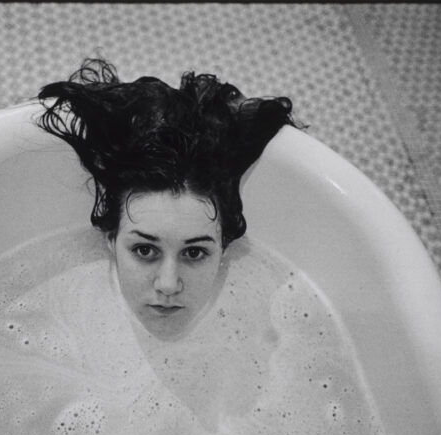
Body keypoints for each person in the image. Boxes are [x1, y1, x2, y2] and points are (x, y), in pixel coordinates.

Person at [34, 57, 304, 339]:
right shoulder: (52, 317)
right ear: (111, 239)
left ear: (224, 248)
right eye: (144, 250)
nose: (168, 285)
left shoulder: (277, 331)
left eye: (194, 252)